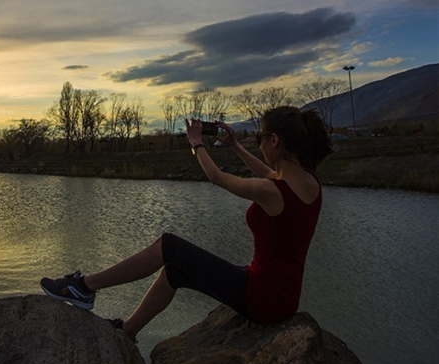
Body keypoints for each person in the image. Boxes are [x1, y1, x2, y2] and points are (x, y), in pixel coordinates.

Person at [40, 106, 335, 341]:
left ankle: (84, 287)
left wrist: (196, 143)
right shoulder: (309, 183)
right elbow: (272, 175)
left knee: (168, 245)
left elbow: (217, 178)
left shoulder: (272, 191)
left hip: (261, 298)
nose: (258, 145)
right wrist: (234, 145)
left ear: (275, 141)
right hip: (281, 296)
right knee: (175, 271)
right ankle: (127, 331)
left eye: (259, 139)